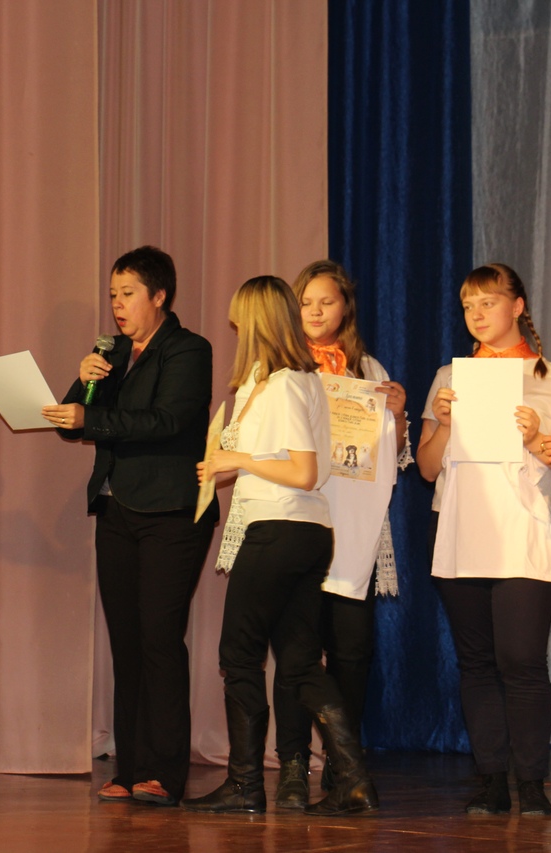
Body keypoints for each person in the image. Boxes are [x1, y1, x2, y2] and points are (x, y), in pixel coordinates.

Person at [181, 276, 378, 817]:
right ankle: (354, 779)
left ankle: (245, 784)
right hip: (302, 532)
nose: (235, 327)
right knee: (299, 662)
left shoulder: (286, 385)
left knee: (239, 655)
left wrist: (238, 460)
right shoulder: (285, 382)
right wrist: (227, 463)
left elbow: (305, 471)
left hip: (280, 530)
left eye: (240, 319)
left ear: (257, 322)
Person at [40, 246, 216, 807]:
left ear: (159, 296)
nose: (117, 304)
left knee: (159, 638)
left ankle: (165, 771)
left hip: (170, 512)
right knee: (127, 640)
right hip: (116, 509)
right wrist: (83, 381)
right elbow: (71, 425)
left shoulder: (188, 349)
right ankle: (131, 766)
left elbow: (168, 420)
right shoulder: (111, 352)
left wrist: (91, 415)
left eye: (128, 293)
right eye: (113, 294)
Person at [415, 263, 551, 815]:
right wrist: (445, 423)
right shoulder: (449, 375)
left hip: (523, 526)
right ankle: (490, 780)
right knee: (477, 660)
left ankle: (530, 781)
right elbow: (427, 469)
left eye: (488, 302)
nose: (477, 315)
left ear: (518, 306)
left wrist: (535, 437)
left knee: (522, 658)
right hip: (460, 525)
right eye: (468, 305)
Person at [269, 260, 411, 809]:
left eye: (326, 301)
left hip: (353, 528)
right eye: (306, 302)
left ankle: (343, 765)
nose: (315, 311)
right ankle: (292, 764)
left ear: (345, 308)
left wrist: (397, 416)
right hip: (298, 520)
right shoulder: (280, 363)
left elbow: (392, 457)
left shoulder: (367, 368)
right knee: (296, 651)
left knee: (352, 650)